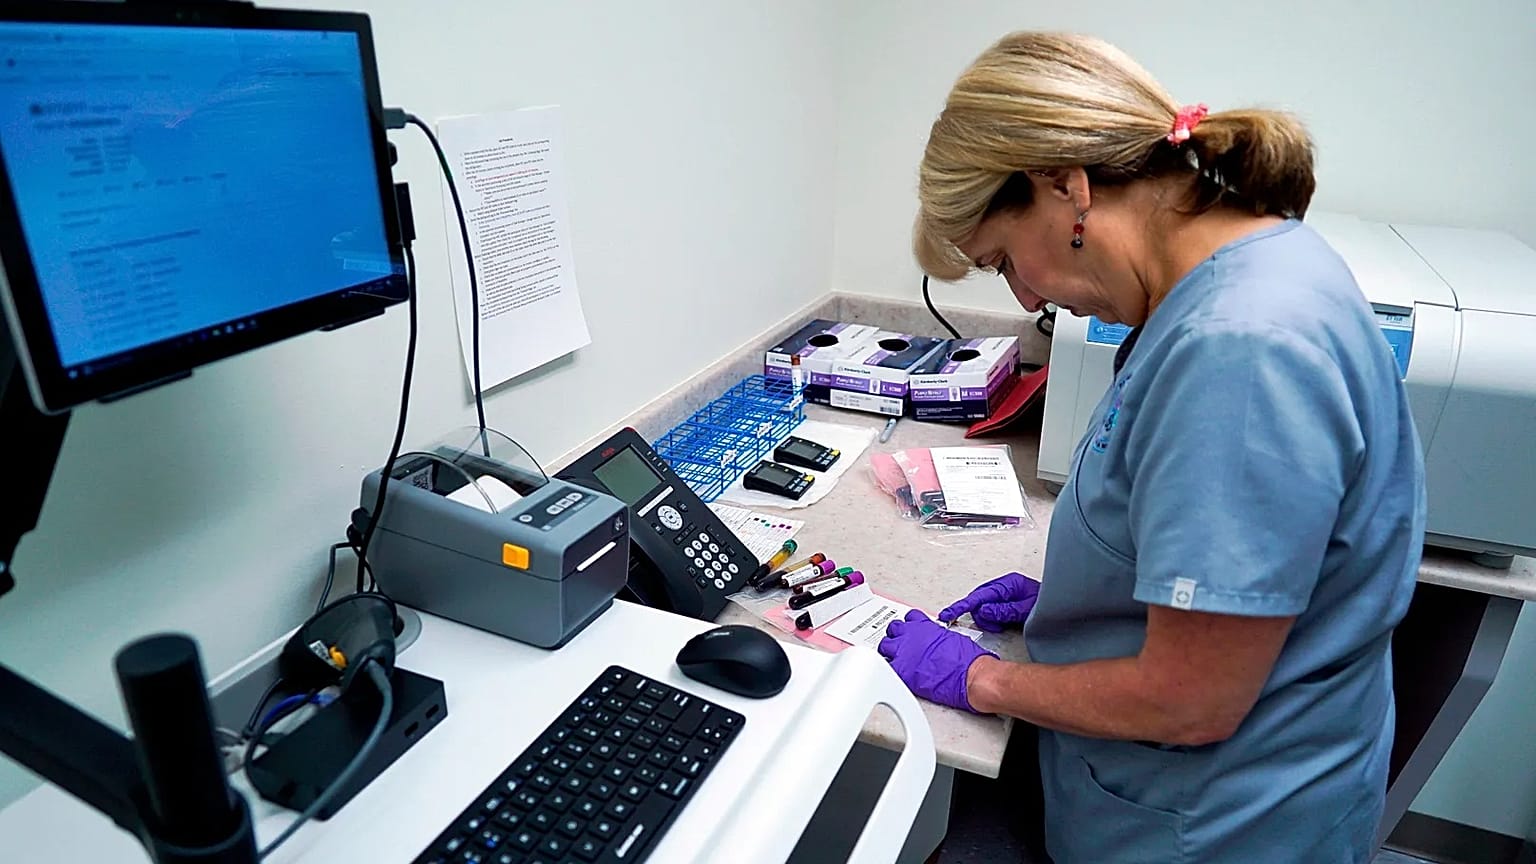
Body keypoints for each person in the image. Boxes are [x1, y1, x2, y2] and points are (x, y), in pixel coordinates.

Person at [876, 32, 1426, 863]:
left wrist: (982, 680)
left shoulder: (1240, 349)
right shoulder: (1251, 265)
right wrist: (1090, 602)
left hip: (1211, 826)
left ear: (1065, 186)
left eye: (1002, 263)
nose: (1026, 297)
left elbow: (1190, 700)